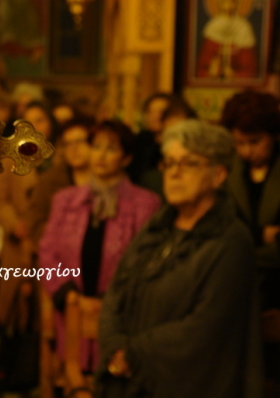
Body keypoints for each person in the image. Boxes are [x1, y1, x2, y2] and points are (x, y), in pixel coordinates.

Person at [97, 121, 263, 397]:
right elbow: (116, 293)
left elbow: (206, 328)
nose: (174, 173)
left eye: (188, 163)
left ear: (218, 175)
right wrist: (115, 346)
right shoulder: (156, 228)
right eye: (170, 163)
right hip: (129, 379)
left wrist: (133, 355)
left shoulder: (231, 241)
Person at [39, 120, 161, 370]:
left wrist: (110, 301)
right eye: (96, 147)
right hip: (72, 310)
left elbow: (145, 263)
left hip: (121, 316)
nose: (101, 156)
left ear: (126, 158)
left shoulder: (145, 204)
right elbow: (47, 254)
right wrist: (71, 295)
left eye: (111, 149)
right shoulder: (66, 200)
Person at [221, 90, 280, 391]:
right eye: (239, 143)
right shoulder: (227, 170)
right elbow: (223, 226)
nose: (246, 151)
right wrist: (261, 235)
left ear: (273, 135)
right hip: (239, 280)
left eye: (254, 142)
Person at [0, 101, 57, 330]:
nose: (35, 126)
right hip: (20, 242)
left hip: (52, 240)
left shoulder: (59, 161)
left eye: (40, 120)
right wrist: (14, 223)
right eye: (29, 122)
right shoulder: (10, 160)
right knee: (17, 308)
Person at [28, 115, 94, 249]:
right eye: (68, 144)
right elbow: (35, 222)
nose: (74, 149)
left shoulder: (105, 178)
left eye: (80, 141)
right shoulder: (49, 180)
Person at [196, 0, 257, 79]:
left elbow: (249, 68)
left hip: (237, 82)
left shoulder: (244, 27)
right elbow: (202, 66)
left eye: (232, 1)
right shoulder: (213, 27)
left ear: (237, 4)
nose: (228, 5)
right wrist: (211, 72)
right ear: (220, 4)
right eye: (225, 1)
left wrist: (235, 75)